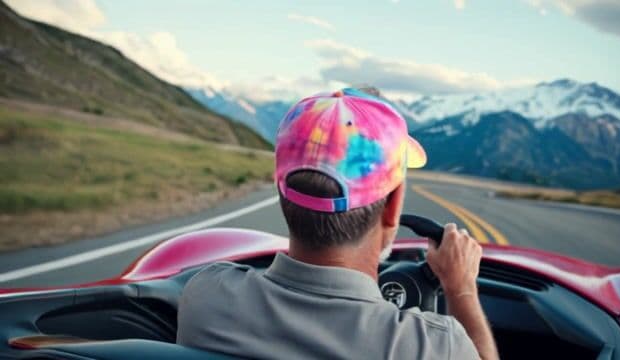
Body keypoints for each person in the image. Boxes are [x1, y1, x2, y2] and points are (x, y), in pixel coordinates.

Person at [177, 87, 499, 360]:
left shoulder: (206, 296)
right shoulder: (435, 347)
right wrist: (461, 289)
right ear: (393, 207)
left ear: (281, 191)